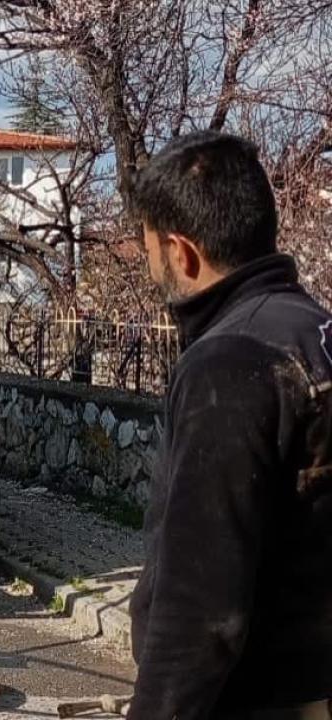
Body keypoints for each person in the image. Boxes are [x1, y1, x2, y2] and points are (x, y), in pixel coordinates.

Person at [129, 130, 332, 719]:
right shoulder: (314, 333)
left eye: (149, 253)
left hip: (260, 698)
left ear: (182, 252)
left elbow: (200, 614)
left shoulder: (229, 362)